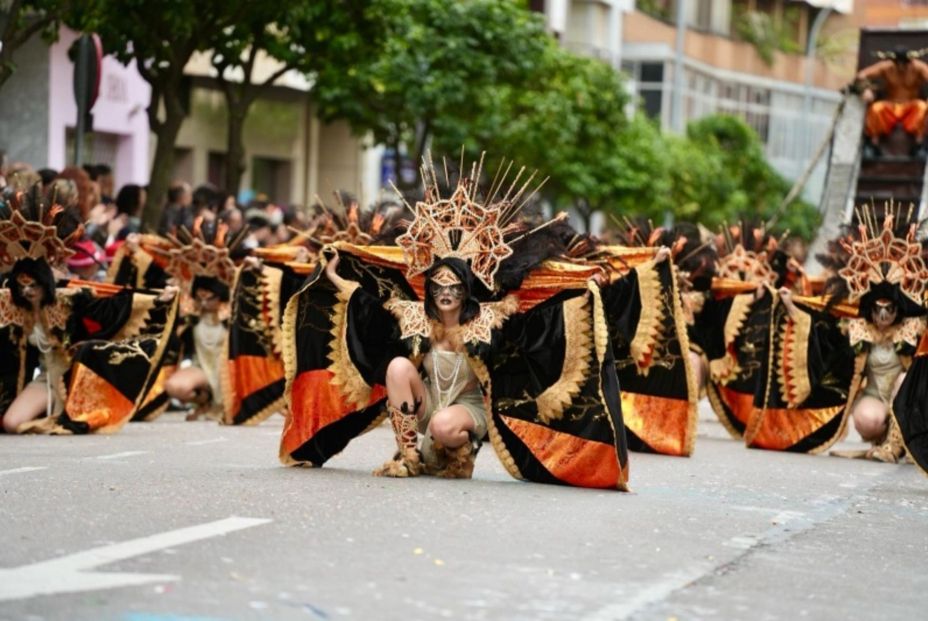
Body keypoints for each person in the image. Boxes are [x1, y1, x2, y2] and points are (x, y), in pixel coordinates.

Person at [279, 157, 670, 489]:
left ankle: (457, 451)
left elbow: (539, 315)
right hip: (425, 404)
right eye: (438, 287)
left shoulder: (489, 319)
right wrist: (333, 275)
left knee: (447, 427)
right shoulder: (415, 315)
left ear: (466, 291)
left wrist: (581, 288)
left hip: (466, 410)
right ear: (429, 289)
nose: (445, 294)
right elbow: (367, 301)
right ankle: (409, 457)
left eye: (453, 287)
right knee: (399, 365)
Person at [0, 185, 178, 434]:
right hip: (45, 379)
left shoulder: (70, 297)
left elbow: (116, 302)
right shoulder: (11, 303)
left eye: (34, 285)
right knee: (10, 423)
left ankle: (64, 410)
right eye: (22, 285)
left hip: (77, 377)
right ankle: (49, 410)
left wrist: (159, 298)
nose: (28, 291)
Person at [856, 44, 928, 158]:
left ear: (910, 61)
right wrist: (865, 89)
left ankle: (919, 145)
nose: (901, 67)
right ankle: (873, 145)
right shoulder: (886, 67)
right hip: (891, 104)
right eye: (897, 63)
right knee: (876, 108)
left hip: (911, 105)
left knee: (923, 107)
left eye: (904, 63)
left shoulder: (919, 67)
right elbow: (861, 75)